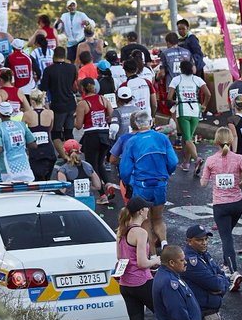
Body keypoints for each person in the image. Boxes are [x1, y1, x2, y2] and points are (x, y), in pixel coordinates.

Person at [117, 196, 162, 320]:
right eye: (146, 209)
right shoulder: (140, 233)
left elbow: (120, 259)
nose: (148, 211)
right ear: (141, 211)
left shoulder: (120, 231)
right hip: (141, 282)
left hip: (125, 284)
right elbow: (143, 263)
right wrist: (156, 261)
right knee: (164, 315)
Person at [200, 126, 242, 291]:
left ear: (216, 141)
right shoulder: (238, 158)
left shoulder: (211, 160)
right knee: (227, 234)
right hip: (237, 205)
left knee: (226, 238)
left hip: (220, 206)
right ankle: (225, 263)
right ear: (230, 140)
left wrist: (209, 174)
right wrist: (241, 184)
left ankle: (234, 271)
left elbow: (203, 183)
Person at [119, 110, 178, 247]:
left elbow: (125, 170)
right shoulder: (162, 138)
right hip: (160, 183)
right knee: (158, 219)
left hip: (141, 186)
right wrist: (166, 174)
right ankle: (164, 244)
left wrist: (127, 183)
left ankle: (152, 257)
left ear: (136, 125)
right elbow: (173, 162)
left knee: (145, 221)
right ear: (151, 122)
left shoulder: (132, 141)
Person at [74, 76, 115, 197]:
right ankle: (108, 184)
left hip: (91, 135)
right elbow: (112, 115)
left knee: (92, 166)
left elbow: (78, 125)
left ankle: (102, 195)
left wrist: (74, 117)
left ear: (83, 88)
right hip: (104, 133)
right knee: (100, 162)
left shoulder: (83, 103)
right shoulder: (103, 99)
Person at [38, 45, 78, 158]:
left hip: (57, 106)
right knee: (69, 132)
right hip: (71, 104)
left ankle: (64, 155)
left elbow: (43, 90)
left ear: (53, 56)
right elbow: (73, 85)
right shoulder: (72, 68)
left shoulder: (49, 70)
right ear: (64, 56)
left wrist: (45, 107)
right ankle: (73, 154)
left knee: (56, 133)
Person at [0, 101, 38, 183]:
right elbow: (33, 145)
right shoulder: (21, 125)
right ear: (11, 112)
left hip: (6, 170)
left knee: (5, 193)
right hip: (23, 168)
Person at [171, 57, 205, 172]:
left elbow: (168, 97)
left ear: (181, 69)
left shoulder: (176, 80)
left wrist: (176, 101)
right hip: (196, 110)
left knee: (187, 139)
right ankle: (186, 163)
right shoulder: (197, 79)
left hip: (183, 110)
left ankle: (197, 159)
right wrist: (204, 105)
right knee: (189, 138)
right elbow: (208, 94)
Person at [55, 139, 104, 209]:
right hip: (89, 203)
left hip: (72, 203)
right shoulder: (88, 166)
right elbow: (98, 186)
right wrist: (87, 187)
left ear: (65, 152)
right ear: (79, 151)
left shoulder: (63, 169)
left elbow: (63, 190)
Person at [23, 89, 58, 181]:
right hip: (48, 149)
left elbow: (23, 132)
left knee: (36, 180)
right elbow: (50, 129)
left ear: (32, 101)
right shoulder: (50, 113)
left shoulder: (27, 114)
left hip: (35, 151)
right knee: (47, 180)